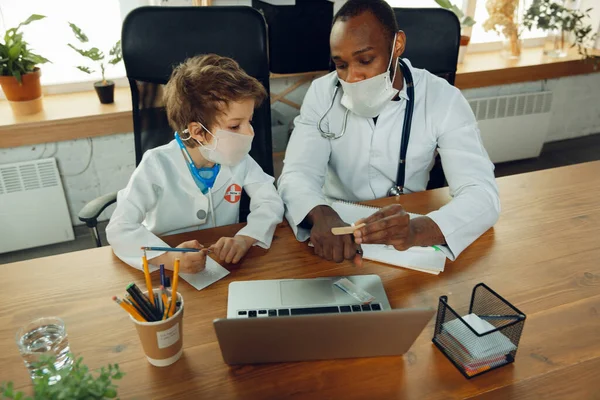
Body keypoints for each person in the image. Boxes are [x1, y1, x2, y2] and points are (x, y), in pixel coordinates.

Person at [278, 0, 500, 264]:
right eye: (341, 65)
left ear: (397, 45)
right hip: (335, 231)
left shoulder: (443, 98)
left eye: (365, 60)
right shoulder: (321, 94)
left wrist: (417, 231)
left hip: (405, 234)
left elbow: (482, 194)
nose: (352, 77)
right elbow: (296, 173)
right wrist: (320, 212)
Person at [107, 54, 284, 273]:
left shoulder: (238, 159)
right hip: (168, 275)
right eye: (235, 126)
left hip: (221, 265)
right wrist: (167, 258)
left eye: (249, 121)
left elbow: (270, 202)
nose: (250, 133)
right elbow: (119, 228)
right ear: (198, 132)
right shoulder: (156, 165)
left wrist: (245, 238)